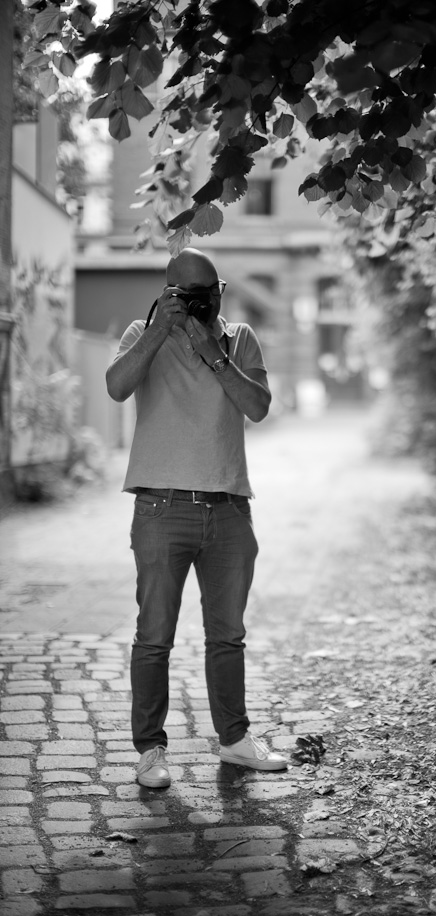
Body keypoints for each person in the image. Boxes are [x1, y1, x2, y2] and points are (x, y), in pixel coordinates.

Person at [106, 247, 287, 787]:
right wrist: (160, 329)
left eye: (209, 293)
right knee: (154, 636)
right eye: (189, 296)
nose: (203, 303)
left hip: (229, 510)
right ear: (168, 294)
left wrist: (214, 353)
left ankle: (233, 741)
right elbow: (117, 387)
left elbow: (257, 405)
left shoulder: (239, 339)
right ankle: (150, 752)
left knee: (227, 636)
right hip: (160, 508)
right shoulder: (143, 331)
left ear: (221, 291)